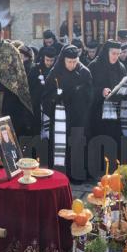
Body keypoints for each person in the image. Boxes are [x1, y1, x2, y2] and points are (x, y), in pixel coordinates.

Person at [42, 45, 93, 179]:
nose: (72, 65)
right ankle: (59, 174)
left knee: (77, 144)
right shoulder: (55, 72)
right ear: (63, 60)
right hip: (60, 115)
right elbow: (46, 95)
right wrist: (56, 96)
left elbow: (89, 95)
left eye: (74, 61)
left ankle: (76, 174)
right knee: (60, 144)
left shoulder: (84, 72)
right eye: (69, 62)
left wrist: (76, 92)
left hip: (78, 116)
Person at [88, 40, 127, 168]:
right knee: (99, 139)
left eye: (118, 54)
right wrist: (101, 91)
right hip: (97, 112)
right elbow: (87, 88)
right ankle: (97, 168)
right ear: (106, 52)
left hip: (116, 112)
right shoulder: (94, 66)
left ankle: (112, 167)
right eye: (113, 53)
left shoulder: (121, 67)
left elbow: (125, 87)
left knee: (114, 139)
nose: (116, 56)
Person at [28, 45, 58, 139]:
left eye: (51, 60)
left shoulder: (57, 70)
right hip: (37, 105)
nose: (49, 63)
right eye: (47, 60)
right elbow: (30, 87)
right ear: (43, 58)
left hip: (51, 106)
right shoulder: (35, 69)